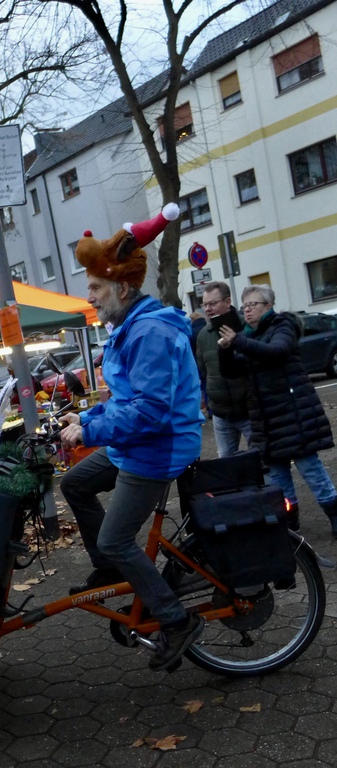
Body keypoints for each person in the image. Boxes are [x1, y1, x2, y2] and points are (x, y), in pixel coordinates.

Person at [58, 204, 204, 672]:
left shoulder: (148, 332)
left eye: (96, 288)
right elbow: (126, 399)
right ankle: (111, 568)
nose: (91, 298)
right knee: (75, 484)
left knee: (119, 539)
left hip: (159, 447)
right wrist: (87, 415)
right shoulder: (127, 328)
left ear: (122, 286)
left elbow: (150, 411)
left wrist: (93, 428)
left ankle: (176, 619)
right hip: (137, 441)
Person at [218, 285, 337, 534]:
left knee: (311, 470)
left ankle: (335, 517)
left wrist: (238, 340)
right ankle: (289, 528)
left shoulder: (282, 326)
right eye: (244, 306)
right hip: (268, 420)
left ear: (268, 306)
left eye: (253, 304)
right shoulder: (249, 335)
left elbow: (276, 351)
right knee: (279, 479)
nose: (247, 310)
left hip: (294, 415)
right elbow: (232, 371)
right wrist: (226, 350)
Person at [196, 281, 251, 457]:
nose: (208, 309)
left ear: (227, 302)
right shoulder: (204, 335)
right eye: (205, 304)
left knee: (264, 462)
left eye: (213, 303)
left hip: (250, 410)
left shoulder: (247, 327)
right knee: (226, 463)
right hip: (221, 413)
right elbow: (203, 370)